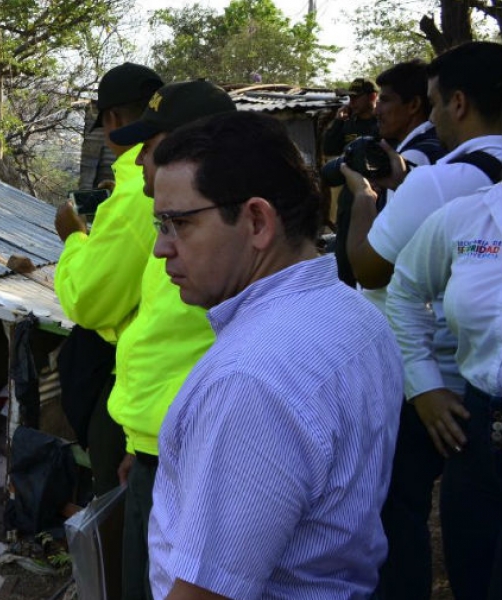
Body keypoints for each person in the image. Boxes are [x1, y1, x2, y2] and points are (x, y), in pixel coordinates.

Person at [147, 111, 403, 599]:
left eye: (177, 223)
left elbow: (207, 590)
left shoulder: (251, 379)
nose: (162, 248)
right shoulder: (356, 315)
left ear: (257, 221)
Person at [343, 41, 502, 600]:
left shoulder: (440, 182)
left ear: (458, 103)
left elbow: (371, 267)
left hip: (423, 385)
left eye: (433, 104)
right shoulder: (480, 193)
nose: (432, 118)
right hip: (473, 396)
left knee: (397, 510)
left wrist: (362, 203)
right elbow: (415, 278)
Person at [92, 79, 234, 600]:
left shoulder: (230, 262)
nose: (141, 164)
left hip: (191, 454)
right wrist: (145, 443)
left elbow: (93, 302)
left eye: (151, 150)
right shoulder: (188, 239)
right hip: (164, 442)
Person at [387, 181, 502, 600]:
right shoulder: (469, 217)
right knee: (471, 579)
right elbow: (404, 290)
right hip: (476, 436)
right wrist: (423, 385)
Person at [54, 62, 163, 496]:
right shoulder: (187, 178)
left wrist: (73, 239)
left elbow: (86, 301)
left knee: (120, 507)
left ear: (113, 121)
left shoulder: (139, 190)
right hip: (175, 386)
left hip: (141, 384)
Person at [331, 60, 446, 288]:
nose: (377, 110)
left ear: (413, 105)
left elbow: (378, 258)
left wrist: (364, 195)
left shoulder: (414, 158)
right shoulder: (432, 144)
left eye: (384, 100)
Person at [322, 76, 379, 158]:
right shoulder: (347, 123)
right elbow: (329, 150)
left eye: (355, 97)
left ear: (372, 96)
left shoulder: (385, 122)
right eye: (350, 97)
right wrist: (338, 121)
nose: (351, 102)